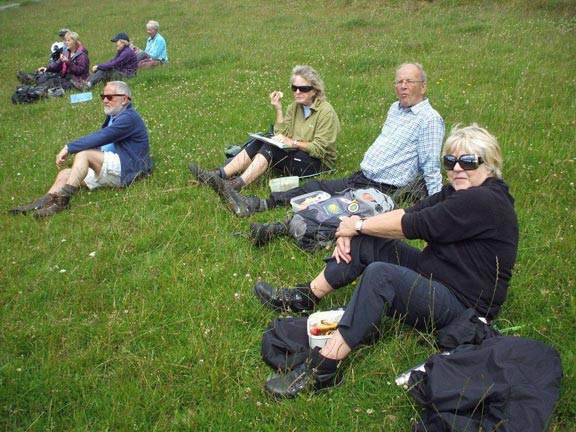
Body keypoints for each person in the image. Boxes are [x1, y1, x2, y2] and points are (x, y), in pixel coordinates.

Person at [257, 124, 520, 398]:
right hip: (437, 277)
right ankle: (305, 296)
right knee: (369, 240)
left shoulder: (484, 200)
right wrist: (355, 228)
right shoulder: (458, 191)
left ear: (489, 164)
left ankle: (324, 368)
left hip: (463, 307)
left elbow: (415, 224)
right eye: (450, 161)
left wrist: (356, 225)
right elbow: (411, 209)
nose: (456, 168)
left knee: (381, 275)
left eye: (467, 161)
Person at [203, 63, 444, 218]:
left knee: (329, 203)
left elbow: (431, 168)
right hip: (363, 175)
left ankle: (247, 197)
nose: (402, 86)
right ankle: (253, 200)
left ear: (423, 87)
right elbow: (281, 131)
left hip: (382, 186)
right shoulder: (396, 109)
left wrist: (438, 209)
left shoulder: (429, 120)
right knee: (314, 187)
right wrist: (277, 110)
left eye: (408, 82)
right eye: (398, 81)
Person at [8, 81, 153, 218]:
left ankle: (63, 201)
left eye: (110, 97)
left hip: (128, 168)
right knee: (65, 173)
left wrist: (68, 147)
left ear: (124, 100)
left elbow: (103, 136)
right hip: (113, 165)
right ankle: (43, 202)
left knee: (84, 154)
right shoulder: (114, 115)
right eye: (103, 96)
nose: (105, 100)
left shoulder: (129, 117)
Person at [189, 65, 340, 192]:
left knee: (270, 147)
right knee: (263, 140)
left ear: (314, 90)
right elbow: (281, 134)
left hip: (318, 163)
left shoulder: (326, 112)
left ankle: (236, 185)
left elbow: (320, 150)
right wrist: (279, 109)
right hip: (296, 153)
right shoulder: (295, 106)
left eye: (303, 88)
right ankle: (218, 174)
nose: (297, 92)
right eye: (294, 88)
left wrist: (292, 142)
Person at [23, 31, 89, 92]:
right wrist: (47, 68)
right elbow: (57, 64)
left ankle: (34, 91)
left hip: (77, 82)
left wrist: (68, 62)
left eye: (68, 41)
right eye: (65, 41)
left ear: (74, 42)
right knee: (50, 81)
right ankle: (31, 89)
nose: (66, 42)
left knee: (53, 84)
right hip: (66, 78)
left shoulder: (82, 55)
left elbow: (80, 71)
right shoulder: (66, 52)